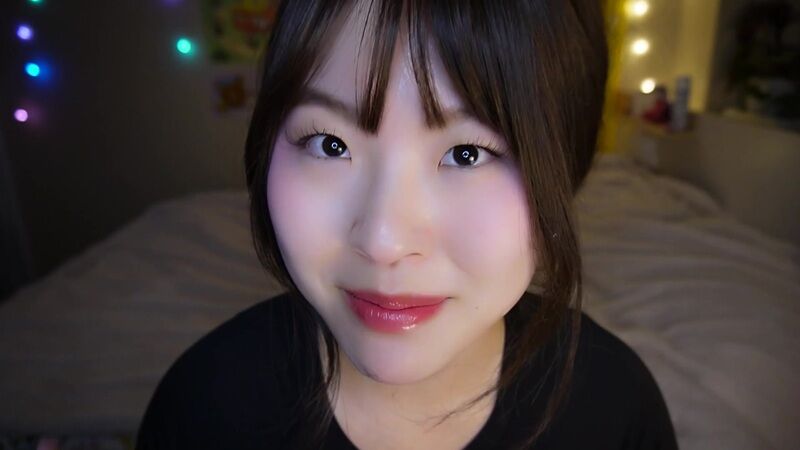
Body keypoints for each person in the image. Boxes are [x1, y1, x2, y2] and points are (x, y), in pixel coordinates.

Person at [136, 0, 678, 449]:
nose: (383, 243)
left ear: (565, 166)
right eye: (330, 144)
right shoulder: (204, 407)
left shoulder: (615, 408)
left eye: (466, 154)